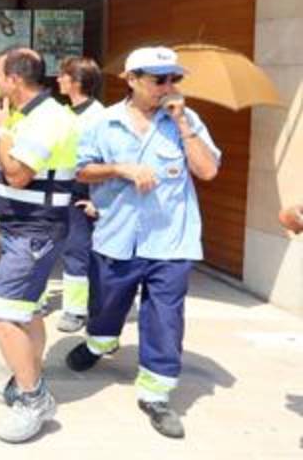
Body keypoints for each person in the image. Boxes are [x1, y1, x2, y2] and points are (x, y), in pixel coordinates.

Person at [66, 46, 221, 440]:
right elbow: (81, 170)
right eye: (158, 79)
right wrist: (120, 168)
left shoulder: (185, 120)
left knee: (165, 318)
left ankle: (156, 394)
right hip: (116, 236)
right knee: (106, 304)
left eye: (174, 79)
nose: (167, 87)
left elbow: (207, 170)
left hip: (171, 240)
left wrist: (184, 123)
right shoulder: (104, 123)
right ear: (131, 79)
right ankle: (100, 342)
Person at [0, 47, 76, 443]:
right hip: (22, 226)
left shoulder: (46, 119)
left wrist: (1, 130)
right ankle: (25, 381)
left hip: (34, 230)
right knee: (25, 310)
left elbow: (17, 174)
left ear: (15, 80)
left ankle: (35, 399)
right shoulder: (32, 111)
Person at [54, 56, 105, 333]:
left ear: (76, 82)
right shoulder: (65, 112)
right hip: (58, 187)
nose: (58, 80)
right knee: (52, 245)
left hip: (81, 191)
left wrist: (96, 198)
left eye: (63, 75)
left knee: (76, 249)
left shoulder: (98, 117)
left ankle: (75, 310)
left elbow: (106, 160)